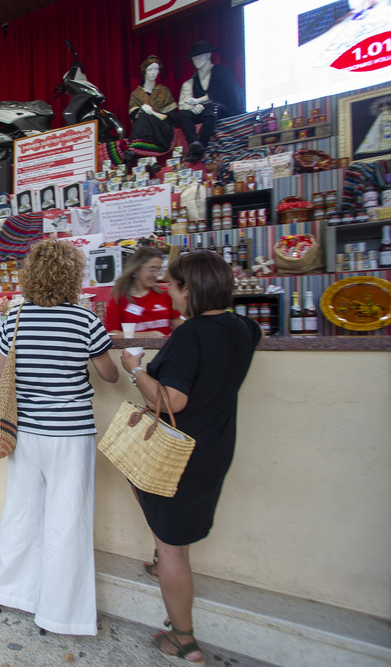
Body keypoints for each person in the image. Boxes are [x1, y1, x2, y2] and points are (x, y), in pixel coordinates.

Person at [120, 251, 261, 665]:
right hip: (215, 448)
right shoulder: (242, 328)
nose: (167, 290)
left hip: (178, 452)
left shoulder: (191, 335)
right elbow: (253, 338)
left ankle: (184, 640)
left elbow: (173, 399)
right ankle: (161, 557)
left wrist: (134, 369)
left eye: (174, 284)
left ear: (190, 289)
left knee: (174, 546)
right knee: (146, 492)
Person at [0, 239, 118, 635]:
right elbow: (109, 374)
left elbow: (0, 372)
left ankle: (12, 592)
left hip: (24, 431)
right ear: (72, 277)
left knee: (21, 511)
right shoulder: (84, 320)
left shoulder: (16, 318)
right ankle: (60, 613)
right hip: (69, 433)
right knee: (68, 518)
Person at [177, 41, 244, 163]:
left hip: (223, 110)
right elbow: (187, 103)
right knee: (182, 114)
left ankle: (201, 145)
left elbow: (229, 95)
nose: (196, 60)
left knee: (212, 107)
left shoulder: (222, 72)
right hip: (204, 112)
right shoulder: (193, 81)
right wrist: (194, 108)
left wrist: (200, 101)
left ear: (208, 56)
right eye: (194, 58)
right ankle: (194, 143)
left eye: (200, 56)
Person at [105, 247, 182, 338]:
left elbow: (178, 325)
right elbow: (112, 334)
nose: (156, 275)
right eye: (152, 269)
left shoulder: (165, 295)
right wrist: (145, 336)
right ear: (136, 269)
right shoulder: (118, 299)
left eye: (159, 270)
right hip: (133, 351)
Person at [123, 55, 177, 162]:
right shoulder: (136, 94)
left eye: (156, 69)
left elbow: (170, 118)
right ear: (144, 72)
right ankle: (152, 161)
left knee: (145, 115)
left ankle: (132, 148)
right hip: (144, 131)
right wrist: (142, 110)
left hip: (162, 130)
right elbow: (133, 117)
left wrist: (152, 113)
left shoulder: (164, 91)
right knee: (143, 116)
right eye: (150, 69)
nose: (153, 72)